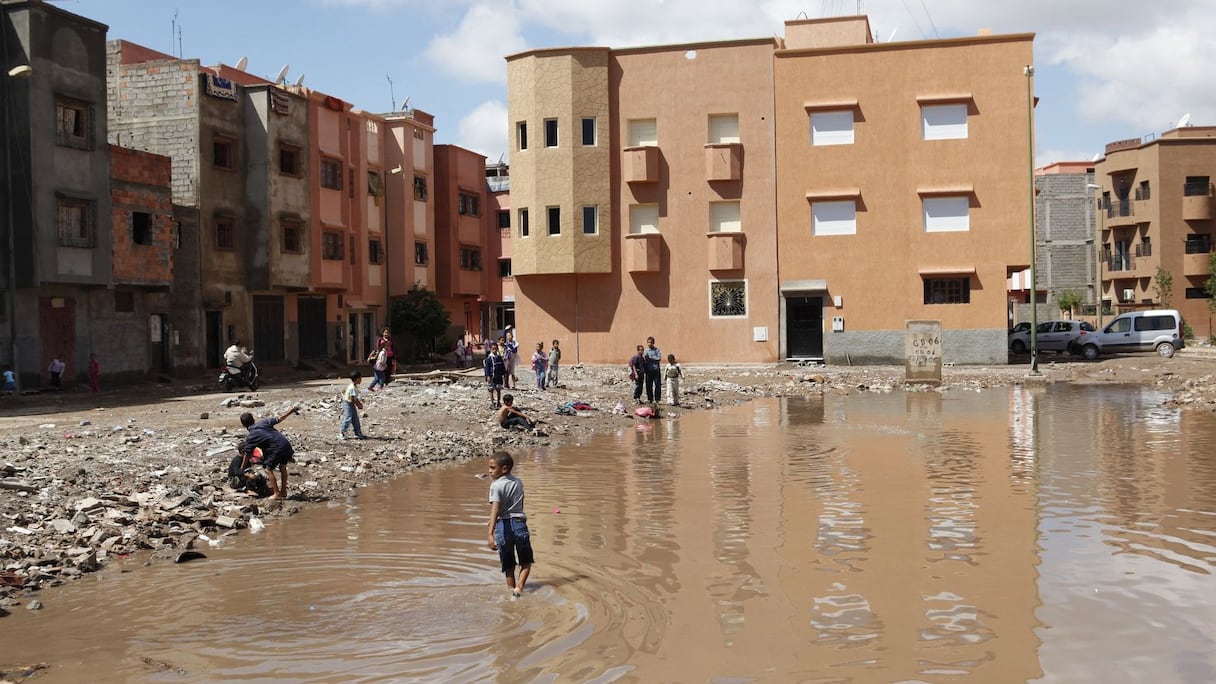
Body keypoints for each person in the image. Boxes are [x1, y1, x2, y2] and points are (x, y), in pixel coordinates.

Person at [486, 450, 533, 599]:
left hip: (502, 527)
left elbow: (496, 508)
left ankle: (511, 592)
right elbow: (520, 504)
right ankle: (519, 588)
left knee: (508, 566)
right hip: (519, 523)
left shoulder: (495, 486)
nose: (489, 471)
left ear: (504, 469)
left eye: (492, 468)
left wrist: (490, 533)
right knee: (526, 562)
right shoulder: (519, 482)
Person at [240, 406, 300, 499]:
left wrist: (242, 467)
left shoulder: (251, 436)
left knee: (268, 469)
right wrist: (290, 411)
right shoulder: (264, 422)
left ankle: (276, 493)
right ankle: (283, 491)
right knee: (282, 466)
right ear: (253, 420)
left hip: (276, 448)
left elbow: (248, 453)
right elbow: (279, 419)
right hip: (285, 444)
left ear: (243, 425)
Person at [339, 371, 368, 440]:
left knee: (355, 419)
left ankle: (357, 433)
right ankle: (342, 432)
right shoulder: (352, 388)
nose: (361, 380)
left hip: (350, 403)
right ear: (357, 379)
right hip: (348, 404)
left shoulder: (353, 386)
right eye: (360, 378)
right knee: (348, 418)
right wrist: (359, 405)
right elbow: (353, 399)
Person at [483, 342, 507, 408]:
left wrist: (504, 374)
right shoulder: (488, 359)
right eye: (493, 349)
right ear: (491, 349)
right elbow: (486, 368)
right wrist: (487, 376)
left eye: (496, 349)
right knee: (491, 390)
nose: (494, 350)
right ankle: (492, 403)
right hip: (491, 377)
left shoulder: (499, 358)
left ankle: (498, 402)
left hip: (498, 377)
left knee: (498, 389)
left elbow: (502, 366)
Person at [642, 337, 663, 404]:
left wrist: (651, 358)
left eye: (651, 342)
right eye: (648, 342)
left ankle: (657, 399)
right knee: (649, 386)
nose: (649, 344)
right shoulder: (646, 351)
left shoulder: (657, 350)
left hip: (656, 370)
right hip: (648, 371)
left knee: (657, 385)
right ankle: (650, 399)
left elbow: (659, 358)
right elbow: (645, 359)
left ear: (653, 343)